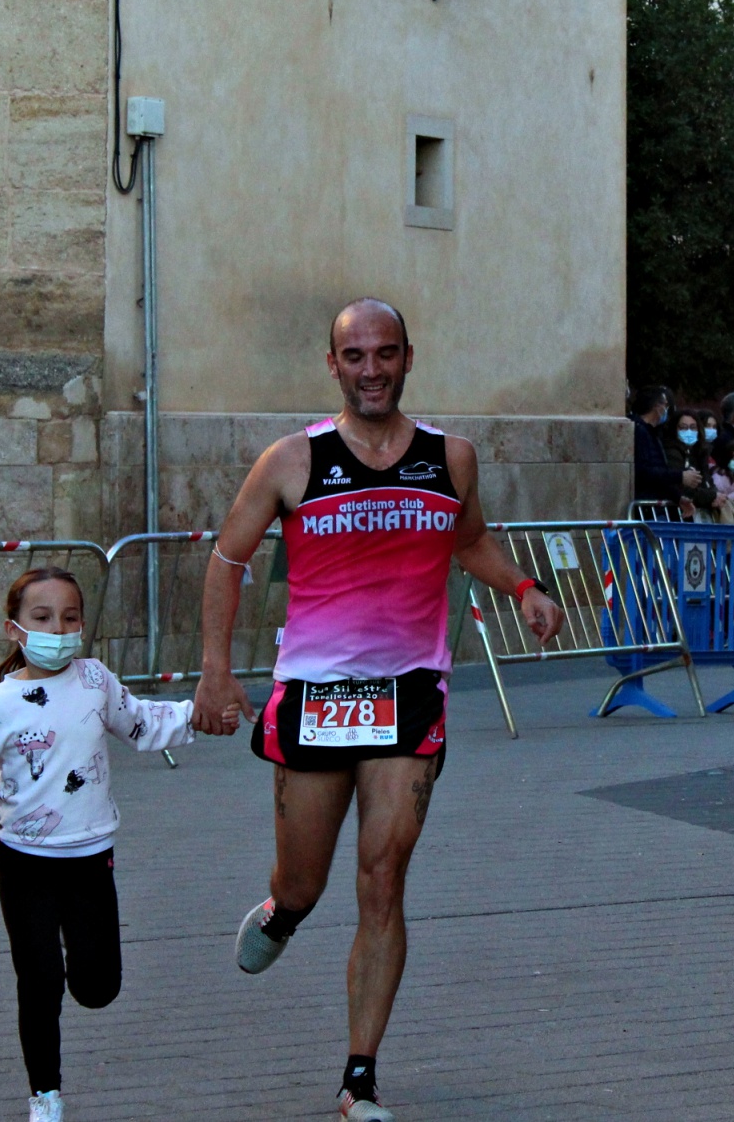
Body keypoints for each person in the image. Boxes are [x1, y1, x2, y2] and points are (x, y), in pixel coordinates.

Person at [190, 298, 565, 1122]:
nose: (371, 369)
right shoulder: (292, 460)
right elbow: (226, 560)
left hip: (410, 693)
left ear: (406, 357)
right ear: (333, 365)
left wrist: (524, 588)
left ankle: (359, 1079)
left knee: (384, 879)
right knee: (306, 880)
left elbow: (467, 541)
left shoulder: (451, 457)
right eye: (353, 355)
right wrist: (216, 675)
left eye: (384, 353)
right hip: (315, 698)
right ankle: (283, 911)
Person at [0, 567, 211, 1122]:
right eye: (42, 618)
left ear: (82, 624)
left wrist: (200, 716)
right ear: (15, 629)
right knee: (39, 981)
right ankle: (45, 1094)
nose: (58, 629)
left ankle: (78, 961)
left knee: (97, 987)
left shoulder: (95, 681)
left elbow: (140, 723)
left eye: (69, 618)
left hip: (91, 859)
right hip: (24, 864)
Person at [629, 385, 693, 510]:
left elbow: (658, 472)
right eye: (665, 405)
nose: (666, 409)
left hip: (653, 505)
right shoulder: (640, 431)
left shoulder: (652, 433)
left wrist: (677, 497)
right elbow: (643, 472)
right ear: (656, 406)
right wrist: (680, 476)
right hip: (647, 507)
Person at [663, 409, 718, 517]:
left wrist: (715, 495)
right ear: (674, 429)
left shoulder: (700, 453)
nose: (688, 431)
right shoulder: (672, 453)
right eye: (683, 427)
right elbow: (684, 490)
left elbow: (707, 482)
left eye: (693, 427)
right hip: (680, 515)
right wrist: (713, 496)